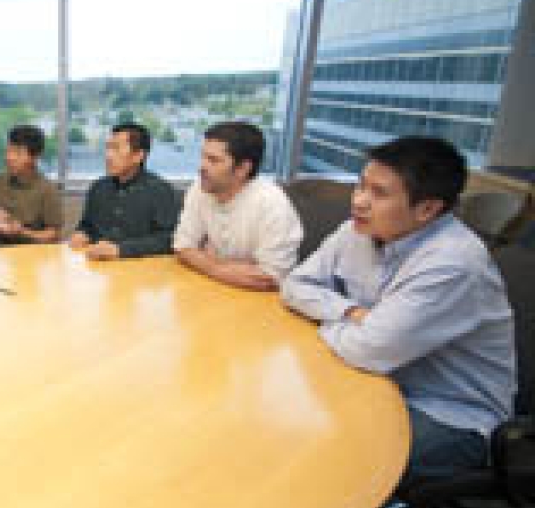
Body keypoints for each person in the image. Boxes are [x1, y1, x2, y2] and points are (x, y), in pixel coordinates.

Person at [281, 136, 515, 483]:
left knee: (327, 461)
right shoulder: (357, 231)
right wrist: (350, 314)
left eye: (379, 193)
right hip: (377, 381)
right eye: (360, 186)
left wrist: (329, 322)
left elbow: (371, 350)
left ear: (427, 209)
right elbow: (294, 286)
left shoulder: (453, 263)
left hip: (448, 413)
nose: (359, 201)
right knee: (284, 418)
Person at [173, 121, 303, 290]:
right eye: (203, 157)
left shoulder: (273, 205)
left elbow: (268, 278)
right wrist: (221, 268)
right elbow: (182, 247)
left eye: (213, 160)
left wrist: (207, 261)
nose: (201, 167)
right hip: (214, 289)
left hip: (261, 302)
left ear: (242, 168)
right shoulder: (201, 187)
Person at [68, 122, 180, 261]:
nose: (108, 156)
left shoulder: (160, 190)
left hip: (143, 272)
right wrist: (82, 234)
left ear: (138, 155)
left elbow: (168, 240)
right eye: (108, 148)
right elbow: (87, 226)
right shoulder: (98, 187)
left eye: (116, 149)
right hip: (100, 269)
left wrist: (120, 250)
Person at [0, 124, 63, 245]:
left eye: (17, 153)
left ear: (34, 157)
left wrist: (22, 232)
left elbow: (53, 235)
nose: (9, 158)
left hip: (28, 251)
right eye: (8, 151)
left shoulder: (47, 190)